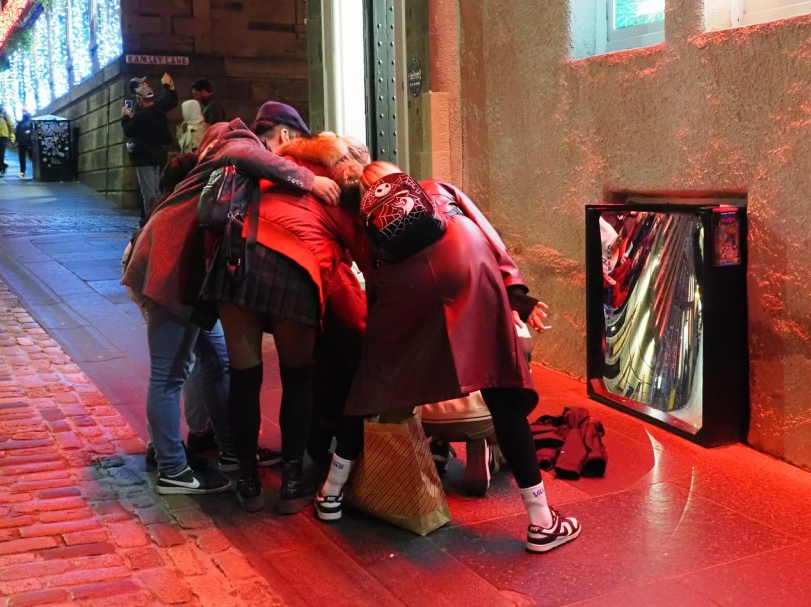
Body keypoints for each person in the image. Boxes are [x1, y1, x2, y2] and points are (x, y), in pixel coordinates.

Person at [345, 162, 580, 554]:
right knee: (502, 391)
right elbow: (491, 241)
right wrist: (518, 300)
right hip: (474, 281)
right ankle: (541, 521)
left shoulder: (374, 236)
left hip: (424, 392)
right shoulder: (438, 189)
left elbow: (376, 298)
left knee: (369, 387)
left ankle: (330, 495)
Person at [122, 112, 341, 496]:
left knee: (219, 361)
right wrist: (310, 179)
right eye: (285, 149)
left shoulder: (229, 148)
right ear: (283, 134)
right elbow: (242, 153)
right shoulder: (237, 137)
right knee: (170, 372)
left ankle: (232, 453)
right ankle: (172, 466)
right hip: (170, 267)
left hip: (185, 272)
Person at [200, 104, 369, 516]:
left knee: (245, 377)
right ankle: (293, 483)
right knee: (297, 377)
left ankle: (247, 482)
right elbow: (358, 248)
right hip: (294, 268)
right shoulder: (335, 177)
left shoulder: (264, 161)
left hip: (235, 261)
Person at [122, 74, 178, 217]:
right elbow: (165, 101)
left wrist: (125, 117)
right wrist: (167, 87)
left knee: (149, 193)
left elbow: (129, 130)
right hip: (156, 154)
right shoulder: (156, 111)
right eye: (142, 83)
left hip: (145, 155)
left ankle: (151, 221)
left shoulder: (142, 113)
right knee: (155, 191)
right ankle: (157, 219)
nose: (146, 84)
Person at [15, 108, 32, 178]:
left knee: (27, 157)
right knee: (24, 158)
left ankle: (23, 172)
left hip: (26, 143)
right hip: (25, 143)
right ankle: (23, 172)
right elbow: (17, 133)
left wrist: (16, 141)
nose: (24, 113)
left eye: (25, 111)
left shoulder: (29, 122)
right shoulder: (22, 122)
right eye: (23, 111)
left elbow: (17, 133)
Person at [0, 105, 14, 176]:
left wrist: (12, 137)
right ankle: (3, 166)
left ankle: (1, 168)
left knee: (1, 154)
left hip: (3, 138)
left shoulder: (5, 116)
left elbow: (11, 126)